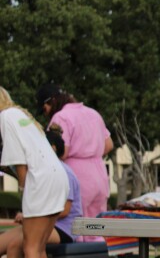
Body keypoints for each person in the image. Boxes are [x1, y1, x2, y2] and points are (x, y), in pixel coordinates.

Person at [0, 86, 70, 258]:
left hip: (40, 181)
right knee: (38, 248)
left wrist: (23, 188)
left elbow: (18, 159)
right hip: (57, 177)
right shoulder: (21, 115)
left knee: (30, 247)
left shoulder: (5, 118)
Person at [0, 129, 82, 258]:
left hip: (64, 229)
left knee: (16, 245)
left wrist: (31, 215)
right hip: (45, 223)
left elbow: (64, 210)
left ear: (51, 148)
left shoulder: (63, 172)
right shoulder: (44, 171)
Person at [36, 84, 113, 224]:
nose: (46, 113)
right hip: (100, 175)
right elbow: (109, 145)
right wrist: (90, 151)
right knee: (97, 224)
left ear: (52, 101)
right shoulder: (93, 113)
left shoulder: (60, 117)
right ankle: (97, 239)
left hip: (78, 176)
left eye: (44, 108)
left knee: (77, 225)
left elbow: (62, 152)